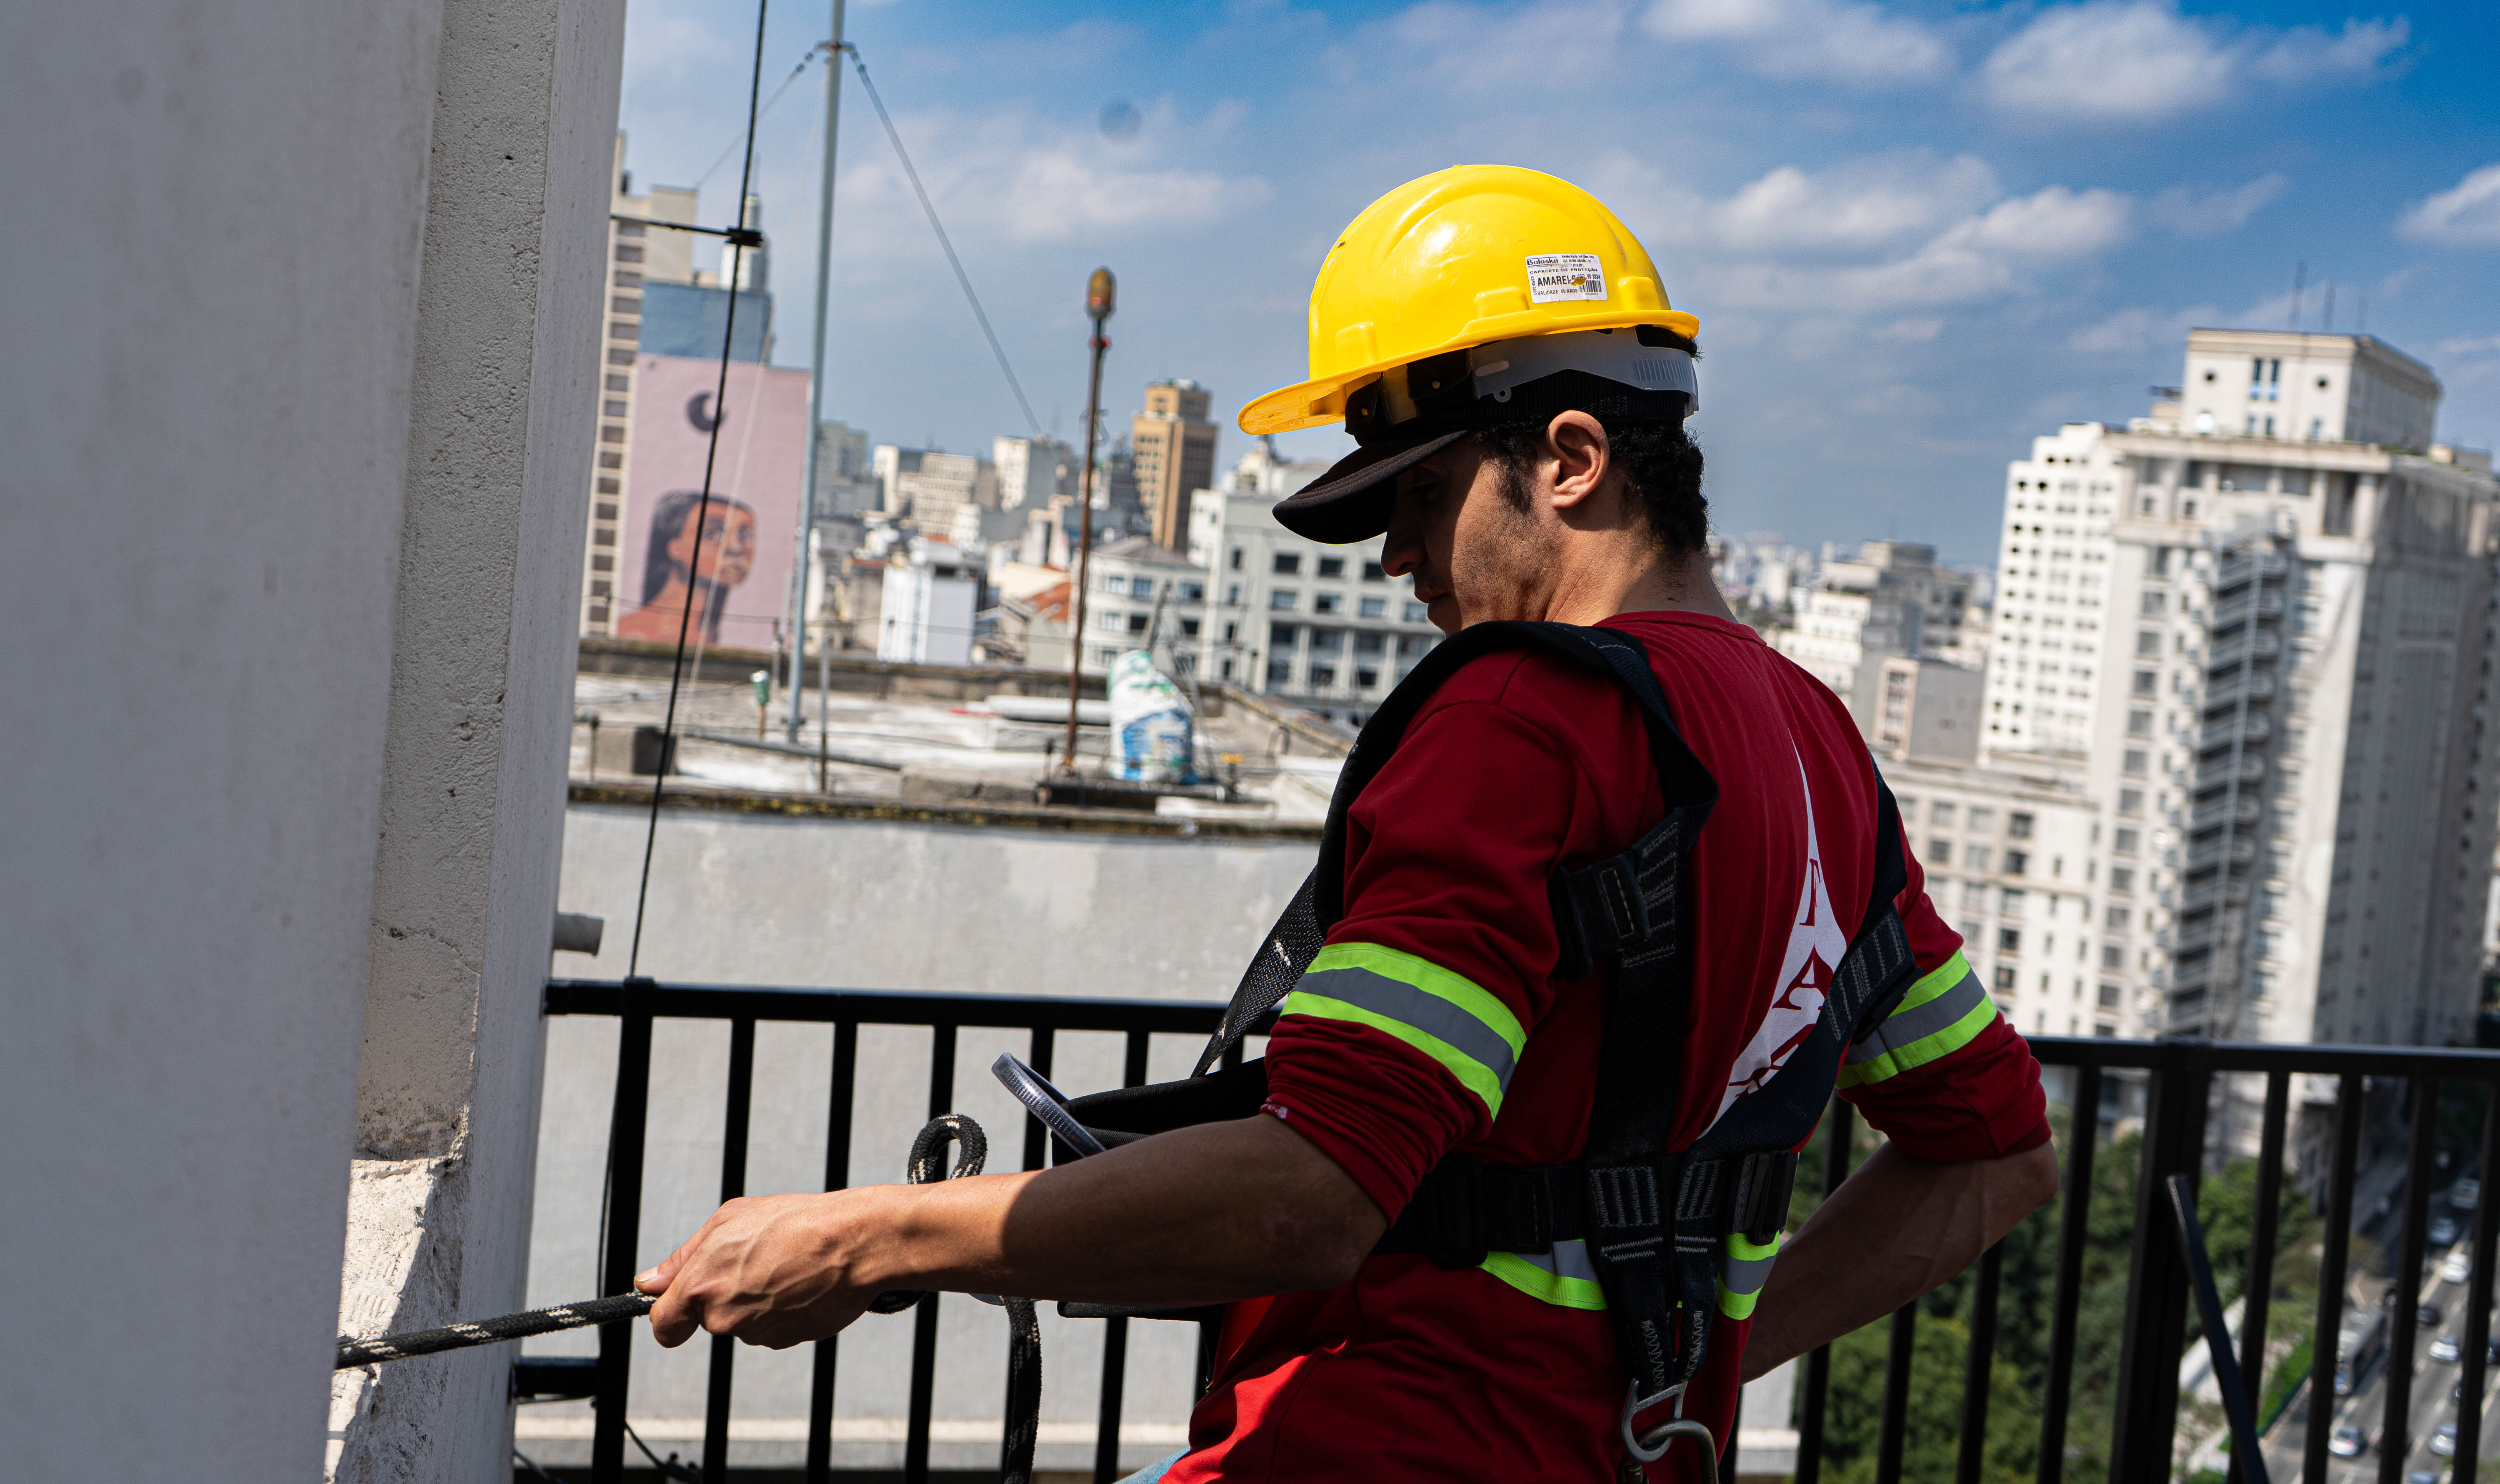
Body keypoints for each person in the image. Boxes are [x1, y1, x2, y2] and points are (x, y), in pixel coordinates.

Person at [632, 166, 2060, 1480]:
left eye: (1423, 495)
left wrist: (871, 1237)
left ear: (1569, 459)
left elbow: (1316, 1193)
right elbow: (1996, 1157)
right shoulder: (1816, 745)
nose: (1393, 559)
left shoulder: (1523, 721)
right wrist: (1703, 1362)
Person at [616, 490, 758, 645]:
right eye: (712, 535)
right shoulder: (631, 633)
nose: (735, 548)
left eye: (745, 534)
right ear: (674, 547)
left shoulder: (715, 637)